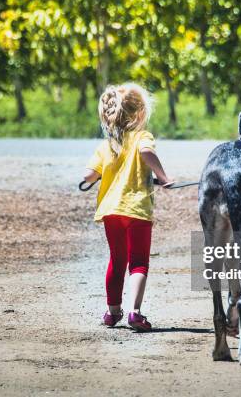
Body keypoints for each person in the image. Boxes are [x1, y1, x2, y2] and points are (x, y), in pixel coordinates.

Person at [83, 83, 173, 332]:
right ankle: (135, 313)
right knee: (139, 262)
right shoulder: (142, 137)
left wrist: (91, 179)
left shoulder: (106, 145)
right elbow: (146, 154)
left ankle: (113, 313)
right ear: (140, 113)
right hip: (137, 210)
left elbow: (89, 174)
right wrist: (163, 178)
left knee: (116, 259)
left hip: (111, 211)